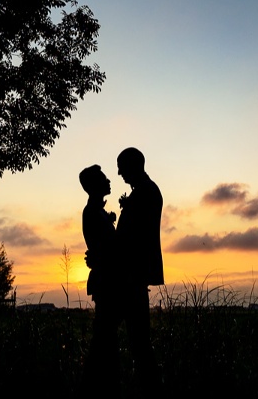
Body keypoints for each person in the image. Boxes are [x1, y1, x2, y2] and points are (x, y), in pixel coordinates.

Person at [114, 147, 163, 391]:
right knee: (137, 340)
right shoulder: (144, 191)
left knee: (139, 342)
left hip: (133, 276)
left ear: (133, 166)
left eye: (122, 167)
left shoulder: (146, 193)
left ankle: (149, 389)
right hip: (132, 276)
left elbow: (133, 238)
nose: (119, 173)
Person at [78, 165, 120, 391]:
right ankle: (96, 386)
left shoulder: (98, 212)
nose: (109, 181)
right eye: (104, 178)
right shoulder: (92, 212)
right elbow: (105, 248)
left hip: (107, 279)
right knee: (104, 337)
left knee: (106, 336)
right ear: (94, 185)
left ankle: (98, 385)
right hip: (106, 281)